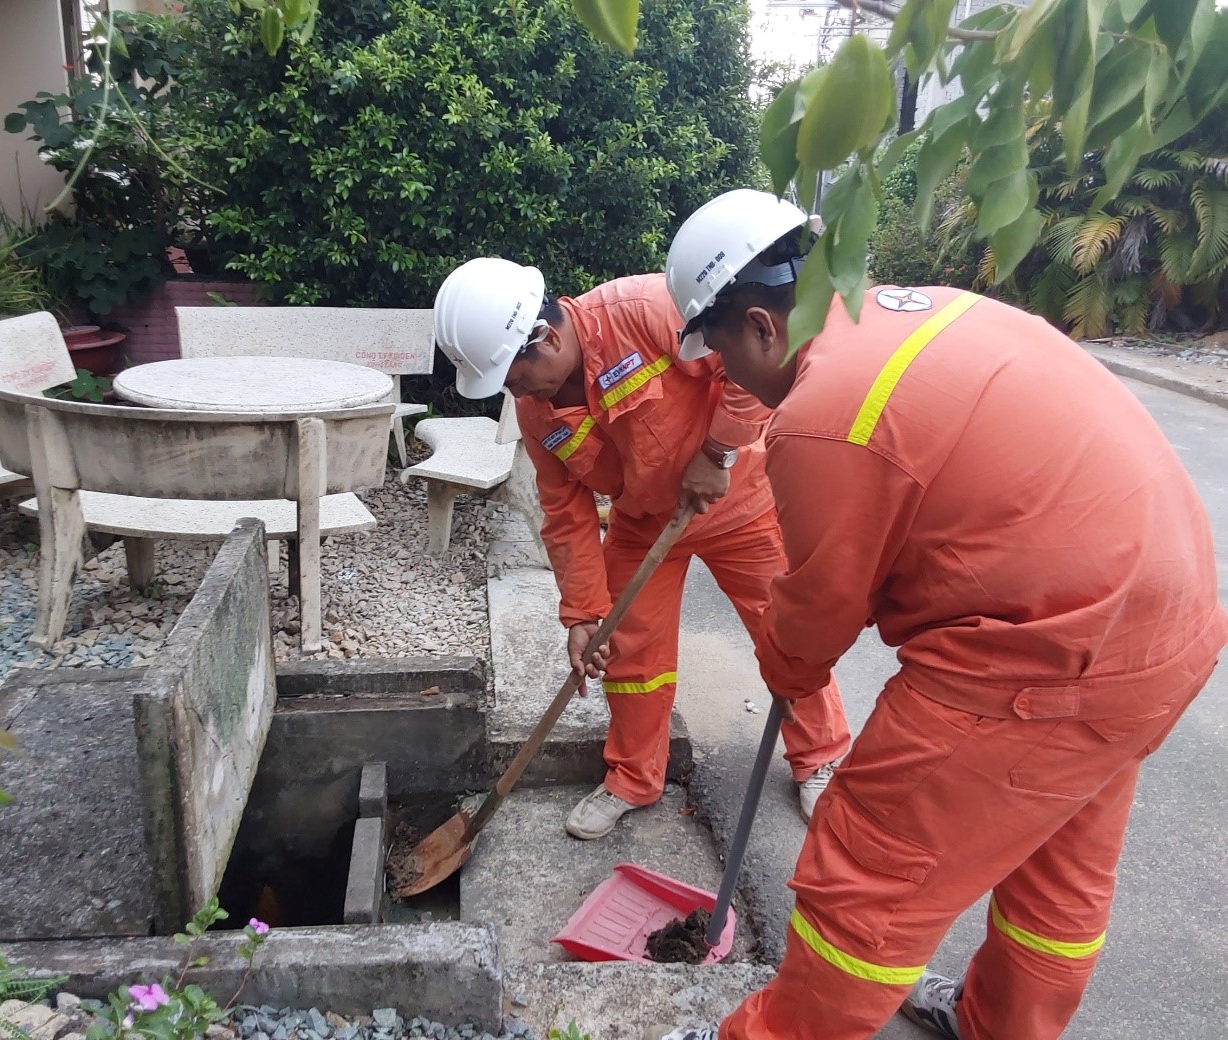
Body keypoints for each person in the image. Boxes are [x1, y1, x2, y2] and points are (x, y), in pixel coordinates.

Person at [650, 188, 1228, 1040]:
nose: (725, 377)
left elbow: (820, 610)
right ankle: (996, 1026)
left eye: (721, 354)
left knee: (867, 873)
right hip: (1166, 634)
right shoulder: (932, 312)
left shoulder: (824, 413)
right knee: (1055, 865)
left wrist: (785, 662)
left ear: (761, 327)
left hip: (1041, 660)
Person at [432, 257, 853, 838]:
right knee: (629, 653)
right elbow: (565, 514)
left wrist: (717, 453)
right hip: (642, 523)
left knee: (786, 632)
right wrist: (582, 614)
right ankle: (633, 776)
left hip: (738, 502)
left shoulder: (648, 310)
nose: (515, 392)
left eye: (514, 376)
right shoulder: (536, 413)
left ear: (546, 338)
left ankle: (821, 756)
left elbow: (757, 363)